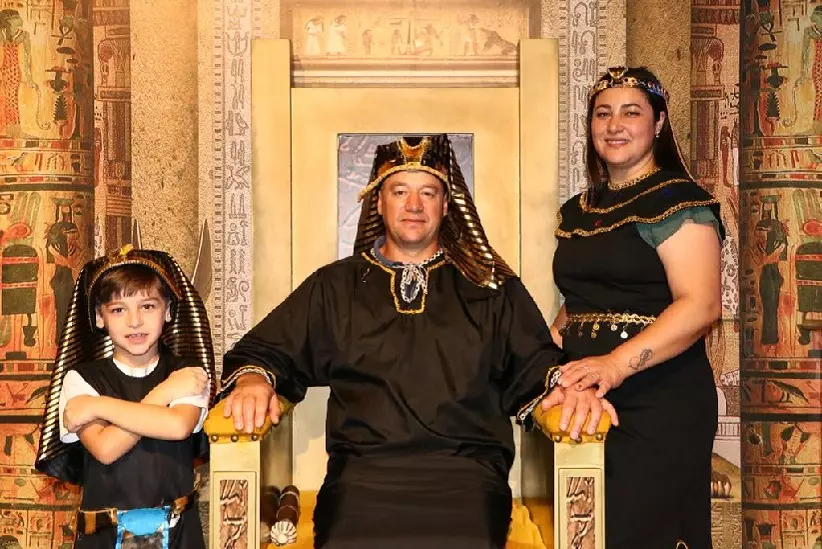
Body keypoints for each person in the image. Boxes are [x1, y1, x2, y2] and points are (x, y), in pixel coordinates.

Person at [218, 134, 618, 549]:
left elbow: (534, 362)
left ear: (445, 205)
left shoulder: (492, 288)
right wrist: (253, 380)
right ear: (378, 202)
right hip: (362, 475)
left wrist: (566, 389)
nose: (414, 205)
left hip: (467, 474)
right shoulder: (335, 286)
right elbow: (266, 349)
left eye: (428, 193)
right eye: (399, 191)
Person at [548, 67, 724, 549]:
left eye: (631, 113)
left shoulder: (679, 201)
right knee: (587, 534)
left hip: (659, 398)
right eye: (602, 113)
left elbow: (701, 305)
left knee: (639, 532)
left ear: (658, 122)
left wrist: (613, 365)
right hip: (586, 398)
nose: (614, 125)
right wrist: (543, 364)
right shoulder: (577, 210)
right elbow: (578, 304)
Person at [35, 245, 216, 549]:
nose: (135, 321)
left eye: (148, 306)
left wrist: (98, 406)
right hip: (102, 537)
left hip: (178, 536)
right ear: (99, 316)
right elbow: (106, 448)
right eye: (118, 310)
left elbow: (177, 426)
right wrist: (166, 393)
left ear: (168, 310)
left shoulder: (188, 373)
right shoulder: (81, 379)